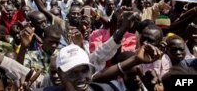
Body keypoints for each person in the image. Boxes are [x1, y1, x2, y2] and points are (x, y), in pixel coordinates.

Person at [35, 44, 163, 91]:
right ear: (60, 73)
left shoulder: (111, 89)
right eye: (72, 72)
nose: (80, 78)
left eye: (84, 70)